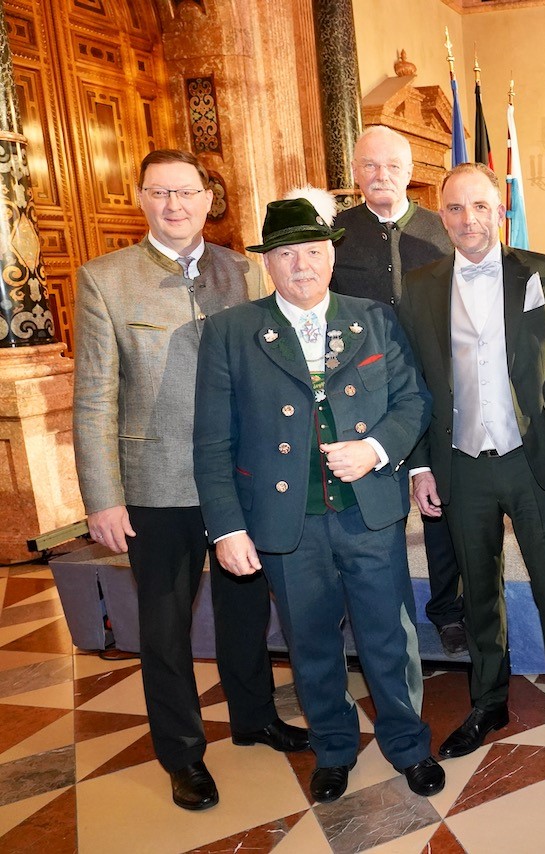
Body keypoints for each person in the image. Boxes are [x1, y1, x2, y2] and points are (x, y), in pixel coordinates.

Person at [72, 149, 307, 812]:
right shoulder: (104, 280)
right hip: (158, 484)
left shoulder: (243, 270)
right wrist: (103, 497)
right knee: (165, 625)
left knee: (246, 608)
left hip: (240, 478)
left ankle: (255, 717)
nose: (174, 205)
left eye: (186, 193)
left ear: (208, 199)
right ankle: (181, 754)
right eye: (160, 193)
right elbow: (94, 397)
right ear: (140, 199)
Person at [192, 195, 443, 805]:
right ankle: (332, 748)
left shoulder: (374, 319)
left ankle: (407, 744)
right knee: (310, 643)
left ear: (331, 256)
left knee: (388, 637)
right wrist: (227, 528)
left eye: (312, 251)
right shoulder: (230, 332)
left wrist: (376, 449)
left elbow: (413, 400)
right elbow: (212, 440)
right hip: (287, 523)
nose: (301, 264)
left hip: (369, 514)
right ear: (267, 264)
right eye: (286, 254)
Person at [397, 163, 545, 765]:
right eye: (456, 208)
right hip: (460, 464)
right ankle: (487, 703)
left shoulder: (543, 272)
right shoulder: (420, 286)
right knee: (478, 593)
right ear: (442, 216)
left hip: (534, 459)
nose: (469, 220)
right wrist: (420, 466)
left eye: (480, 206)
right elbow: (414, 385)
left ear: (500, 210)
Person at [329, 126, 465, 657]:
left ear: (411, 173)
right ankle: (372, 610)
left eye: (391, 166)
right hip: (360, 391)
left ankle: (448, 609)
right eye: (369, 165)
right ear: (355, 172)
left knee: (439, 501)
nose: (380, 175)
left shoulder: (441, 228)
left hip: (436, 383)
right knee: (369, 509)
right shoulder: (334, 233)